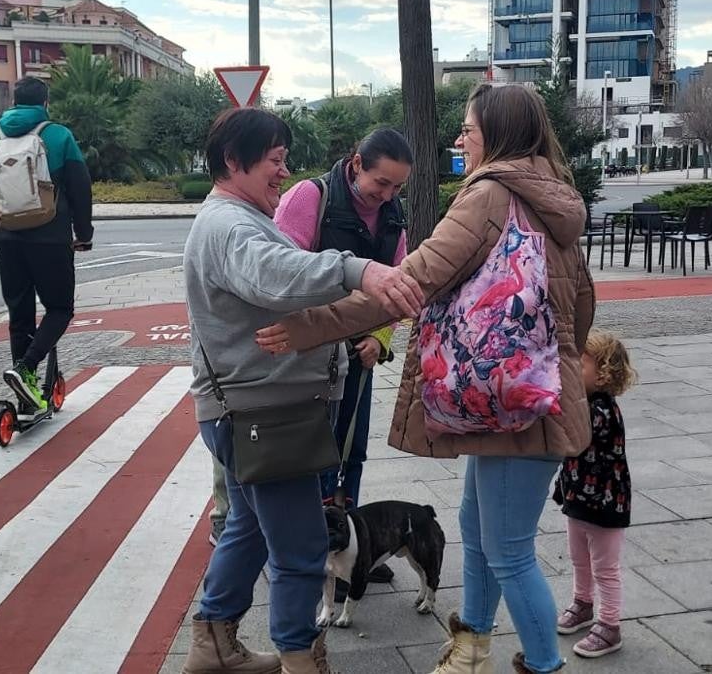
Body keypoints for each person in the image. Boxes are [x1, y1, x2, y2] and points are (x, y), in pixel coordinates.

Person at [255, 83, 596, 674]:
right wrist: (560, 361)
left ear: (498, 134)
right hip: (530, 390)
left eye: (468, 128)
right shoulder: (552, 194)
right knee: (473, 525)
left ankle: (543, 663)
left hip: (513, 397)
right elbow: (583, 302)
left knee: (510, 551)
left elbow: (409, 281)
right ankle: (472, 647)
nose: (460, 138)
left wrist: (310, 326)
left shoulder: (490, 195)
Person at [182, 107, 421, 674]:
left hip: (251, 412)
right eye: (274, 161)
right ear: (234, 162)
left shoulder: (236, 218)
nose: (283, 174)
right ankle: (300, 658)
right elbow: (276, 274)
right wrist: (357, 269)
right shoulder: (229, 226)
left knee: (246, 528)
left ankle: (214, 645)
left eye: (284, 161)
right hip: (264, 415)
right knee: (301, 549)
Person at [275, 127, 413, 584]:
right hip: (310, 355)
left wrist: (381, 339)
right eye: (381, 184)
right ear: (357, 165)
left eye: (397, 187)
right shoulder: (308, 198)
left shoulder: (392, 216)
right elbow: (281, 273)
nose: (387, 195)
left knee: (351, 452)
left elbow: (395, 286)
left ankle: (348, 548)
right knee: (311, 453)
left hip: (358, 353)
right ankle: (306, 554)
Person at [0, 77, 93, 421]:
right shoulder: (59, 136)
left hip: (7, 238)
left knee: (19, 314)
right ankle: (26, 368)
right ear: (46, 102)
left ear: (13, 101)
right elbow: (81, 188)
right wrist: (83, 233)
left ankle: (26, 397)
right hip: (51, 236)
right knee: (59, 308)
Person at [553, 329, 636, 659]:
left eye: (580, 366)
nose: (573, 370)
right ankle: (582, 603)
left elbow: (575, 436)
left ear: (602, 374)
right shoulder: (586, 404)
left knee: (605, 568)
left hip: (605, 504)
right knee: (579, 559)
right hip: (579, 499)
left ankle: (610, 625)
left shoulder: (600, 410)